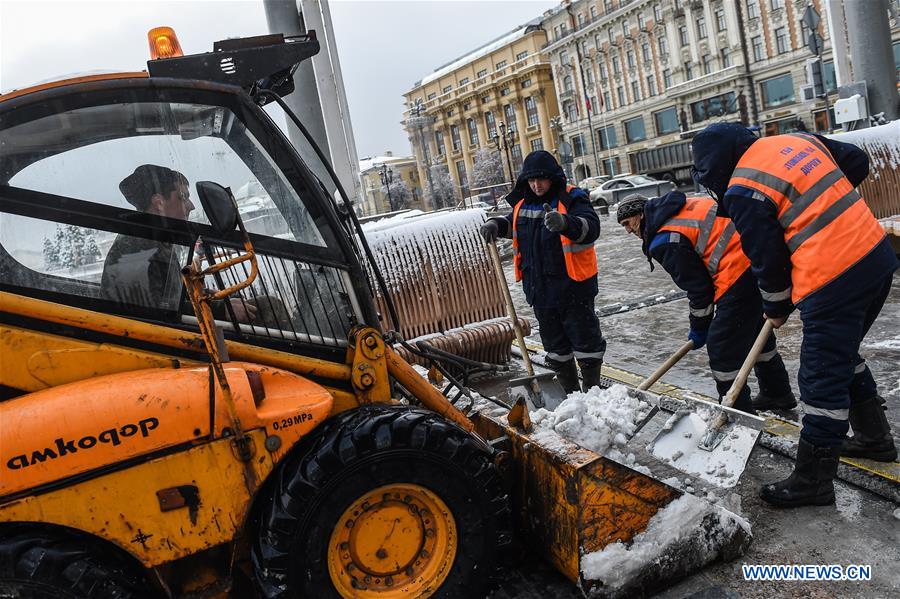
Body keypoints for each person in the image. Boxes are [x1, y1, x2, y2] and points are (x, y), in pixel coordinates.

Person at [691, 123, 898, 508]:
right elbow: (856, 160)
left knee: (821, 378)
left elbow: (767, 260)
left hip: (833, 276)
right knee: (841, 356)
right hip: (876, 256)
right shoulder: (795, 141)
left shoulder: (742, 188)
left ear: (715, 166)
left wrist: (775, 306)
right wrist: (825, 210)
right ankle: (875, 439)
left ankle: (812, 481)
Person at [616, 192, 794, 414]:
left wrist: (700, 327)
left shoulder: (665, 239)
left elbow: (700, 291)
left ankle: (737, 414)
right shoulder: (681, 207)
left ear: (641, 214)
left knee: (722, 348)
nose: (628, 230)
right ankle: (776, 392)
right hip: (758, 259)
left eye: (628, 223)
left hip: (736, 272)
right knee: (755, 333)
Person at [480, 150, 605, 393]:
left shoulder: (571, 197)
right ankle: (570, 396)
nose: (536, 185)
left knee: (586, 344)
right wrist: (497, 224)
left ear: (552, 177)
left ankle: (593, 393)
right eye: (531, 180)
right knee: (556, 349)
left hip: (573, 289)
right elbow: (513, 224)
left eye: (541, 179)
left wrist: (565, 223)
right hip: (540, 292)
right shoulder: (522, 204)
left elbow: (591, 227)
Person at [102, 164, 256, 322]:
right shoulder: (137, 249)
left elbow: (171, 295)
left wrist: (211, 297)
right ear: (159, 203)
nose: (191, 206)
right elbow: (152, 309)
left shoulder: (156, 239)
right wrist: (219, 309)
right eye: (183, 197)